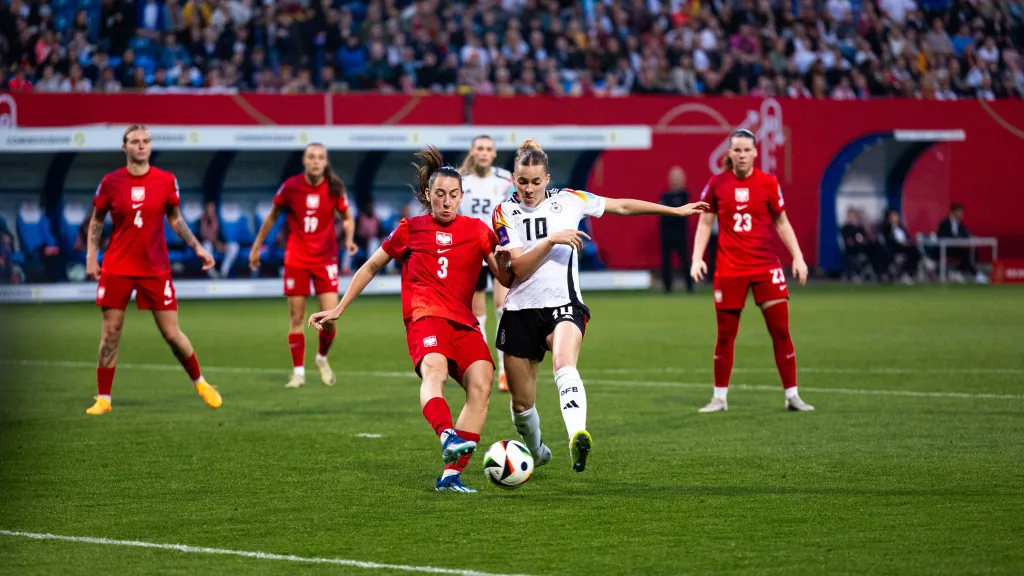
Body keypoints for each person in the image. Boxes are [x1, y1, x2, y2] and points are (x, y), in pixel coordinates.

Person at [493, 139, 708, 473]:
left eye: (536, 182)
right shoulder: (505, 212)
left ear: (548, 179)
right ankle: (536, 450)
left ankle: (577, 433)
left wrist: (674, 210)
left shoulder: (570, 200)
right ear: (514, 179)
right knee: (521, 405)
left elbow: (620, 206)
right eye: (522, 181)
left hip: (564, 305)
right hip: (520, 311)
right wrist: (552, 240)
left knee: (564, 364)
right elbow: (518, 269)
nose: (529, 189)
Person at [309, 145, 512, 493]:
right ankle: (446, 433)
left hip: (463, 322)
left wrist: (509, 258)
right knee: (436, 371)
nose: (446, 202)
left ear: (462, 196)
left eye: (452, 195)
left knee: (482, 385)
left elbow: (504, 278)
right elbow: (372, 265)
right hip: (425, 316)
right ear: (428, 196)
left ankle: (451, 476)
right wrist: (339, 308)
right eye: (439, 195)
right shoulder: (410, 228)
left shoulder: (479, 231)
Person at [85, 124, 222, 415]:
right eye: (135, 141)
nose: (141, 146)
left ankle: (201, 382)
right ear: (125, 147)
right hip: (117, 266)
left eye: (145, 141)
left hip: (154, 267)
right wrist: (91, 256)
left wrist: (197, 247)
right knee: (111, 332)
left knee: (172, 334)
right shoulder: (110, 182)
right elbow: (97, 220)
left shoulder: (166, 181)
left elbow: (175, 218)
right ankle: (103, 399)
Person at [690, 128, 814, 413]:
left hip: (765, 265)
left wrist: (798, 257)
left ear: (756, 152)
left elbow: (782, 221)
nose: (742, 155)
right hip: (730, 268)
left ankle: (792, 396)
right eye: (737, 150)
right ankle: (719, 398)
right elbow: (705, 223)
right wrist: (697, 258)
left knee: (781, 330)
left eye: (747, 150)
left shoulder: (768, 183)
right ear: (730, 154)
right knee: (725, 335)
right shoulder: (717, 183)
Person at [249, 143, 358, 389]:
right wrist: (257, 247)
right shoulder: (291, 187)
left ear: (325, 161)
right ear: (304, 160)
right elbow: (272, 217)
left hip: (325, 258)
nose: (316, 161)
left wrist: (349, 240)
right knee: (296, 317)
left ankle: (321, 358)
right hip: (296, 258)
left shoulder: (334, 188)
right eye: (311, 157)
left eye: (320, 157)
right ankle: (298, 372)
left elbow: (348, 218)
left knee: (330, 317)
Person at [459, 134, 516, 391]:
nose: (483, 152)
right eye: (479, 148)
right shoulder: (460, 182)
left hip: (498, 251)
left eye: (488, 149)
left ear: (494, 154)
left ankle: (505, 371)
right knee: (477, 316)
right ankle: (483, 367)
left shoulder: (505, 179)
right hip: (471, 253)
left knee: (504, 309)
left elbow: (515, 212)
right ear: (472, 152)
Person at [659, 166, 693, 293]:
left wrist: (670, 208)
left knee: (685, 260)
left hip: (680, 233)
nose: (675, 180)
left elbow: (676, 210)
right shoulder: (665, 195)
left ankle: (689, 286)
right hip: (666, 234)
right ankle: (667, 287)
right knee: (666, 261)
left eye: (677, 178)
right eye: (673, 177)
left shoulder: (685, 194)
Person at [936, 203, 986, 282]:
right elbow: (941, 236)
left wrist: (970, 236)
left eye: (962, 212)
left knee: (972, 254)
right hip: (945, 249)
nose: (961, 214)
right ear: (952, 212)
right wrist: (955, 239)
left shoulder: (960, 224)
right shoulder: (945, 223)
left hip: (957, 248)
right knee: (966, 254)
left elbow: (965, 234)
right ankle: (975, 274)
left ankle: (958, 271)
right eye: (959, 212)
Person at [878, 209, 921, 284]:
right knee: (910, 250)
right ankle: (903, 273)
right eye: (893, 217)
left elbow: (908, 237)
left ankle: (908, 272)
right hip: (894, 248)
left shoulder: (902, 228)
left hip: (906, 247)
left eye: (896, 216)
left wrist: (907, 242)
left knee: (913, 250)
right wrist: (901, 243)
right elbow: (888, 241)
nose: (895, 218)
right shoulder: (886, 229)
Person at [200, 201, 240, 278]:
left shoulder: (217, 220)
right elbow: (198, 237)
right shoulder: (200, 221)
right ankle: (211, 272)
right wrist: (213, 243)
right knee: (206, 245)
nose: (210, 211)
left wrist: (222, 244)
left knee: (234, 246)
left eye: (212, 209)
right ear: (205, 209)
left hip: (217, 244)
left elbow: (222, 235)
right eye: (209, 208)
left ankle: (224, 271)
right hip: (204, 246)